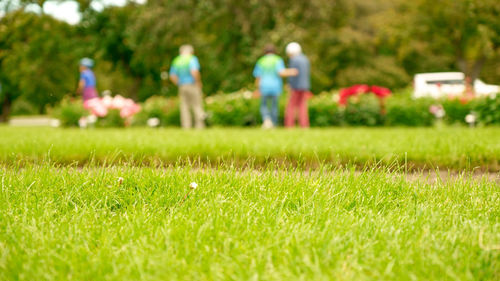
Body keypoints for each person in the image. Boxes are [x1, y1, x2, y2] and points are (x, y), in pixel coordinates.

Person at [253, 44, 297, 129]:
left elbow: (258, 77)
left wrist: (257, 89)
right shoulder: (277, 59)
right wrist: (292, 72)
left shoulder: (261, 61)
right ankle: (273, 123)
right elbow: (281, 72)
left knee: (264, 105)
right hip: (275, 86)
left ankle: (266, 120)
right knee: (274, 106)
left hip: (264, 86)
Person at [169, 44, 205, 129]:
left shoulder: (177, 60)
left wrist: (178, 83)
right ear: (191, 51)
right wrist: (198, 82)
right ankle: (199, 126)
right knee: (197, 104)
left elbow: (172, 75)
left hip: (182, 85)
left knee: (184, 106)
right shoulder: (192, 59)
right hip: (192, 84)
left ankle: (186, 126)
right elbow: (194, 71)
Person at [284, 42, 311, 128]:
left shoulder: (294, 59)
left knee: (291, 106)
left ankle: (289, 124)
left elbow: (294, 72)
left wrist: (289, 84)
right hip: (305, 85)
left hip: (295, 86)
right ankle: (304, 125)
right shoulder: (305, 59)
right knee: (302, 105)